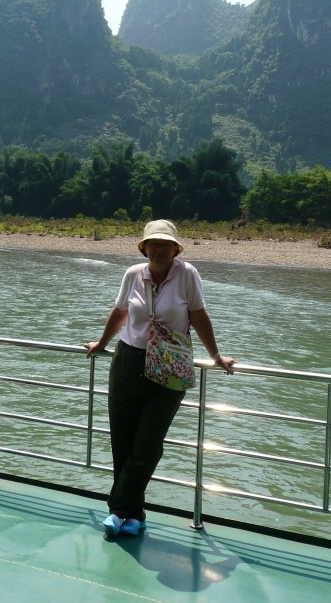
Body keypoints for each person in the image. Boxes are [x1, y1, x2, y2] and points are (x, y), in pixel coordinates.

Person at [84, 219, 235, 537]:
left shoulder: (187, 275)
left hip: (169, 366)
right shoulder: (132, 275)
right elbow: (120, 312)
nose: (159, 249)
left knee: (148, 444)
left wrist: (217, 356)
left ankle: (118, 508)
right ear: (144, 247)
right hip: (128, 360)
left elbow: (198, 315)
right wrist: (102, 344)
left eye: (166, 244)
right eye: (153, 243)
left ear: (176, 248)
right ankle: (131, 514)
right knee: (122, 440)